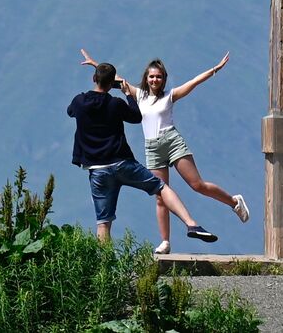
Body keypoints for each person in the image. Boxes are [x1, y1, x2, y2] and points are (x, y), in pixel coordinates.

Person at [82, 50, 249, 253]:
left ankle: (233, 201)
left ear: (164, 79)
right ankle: (165, 242)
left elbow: (194, 82)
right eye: (151, 76)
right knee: (160, 195)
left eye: (159, 77)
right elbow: (111, 77)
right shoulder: (139, 95)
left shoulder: (170, 96)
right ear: (146, 78)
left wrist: (215, 69)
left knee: (197, 184)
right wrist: (94, 64)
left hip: (172, 142)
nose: (155, 80)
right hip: (152, 148)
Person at [68, 59, 218, 245]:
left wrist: (96, 69)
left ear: (94, 78)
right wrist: (128, 96)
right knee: (161, 188)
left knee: (103, 223)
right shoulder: (116, 104)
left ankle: (103, 268)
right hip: (122, 164)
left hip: (97, 171)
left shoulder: (79, 101)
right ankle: (191, 224)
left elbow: (70, 111)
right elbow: (136, 116)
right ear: (111, 84)